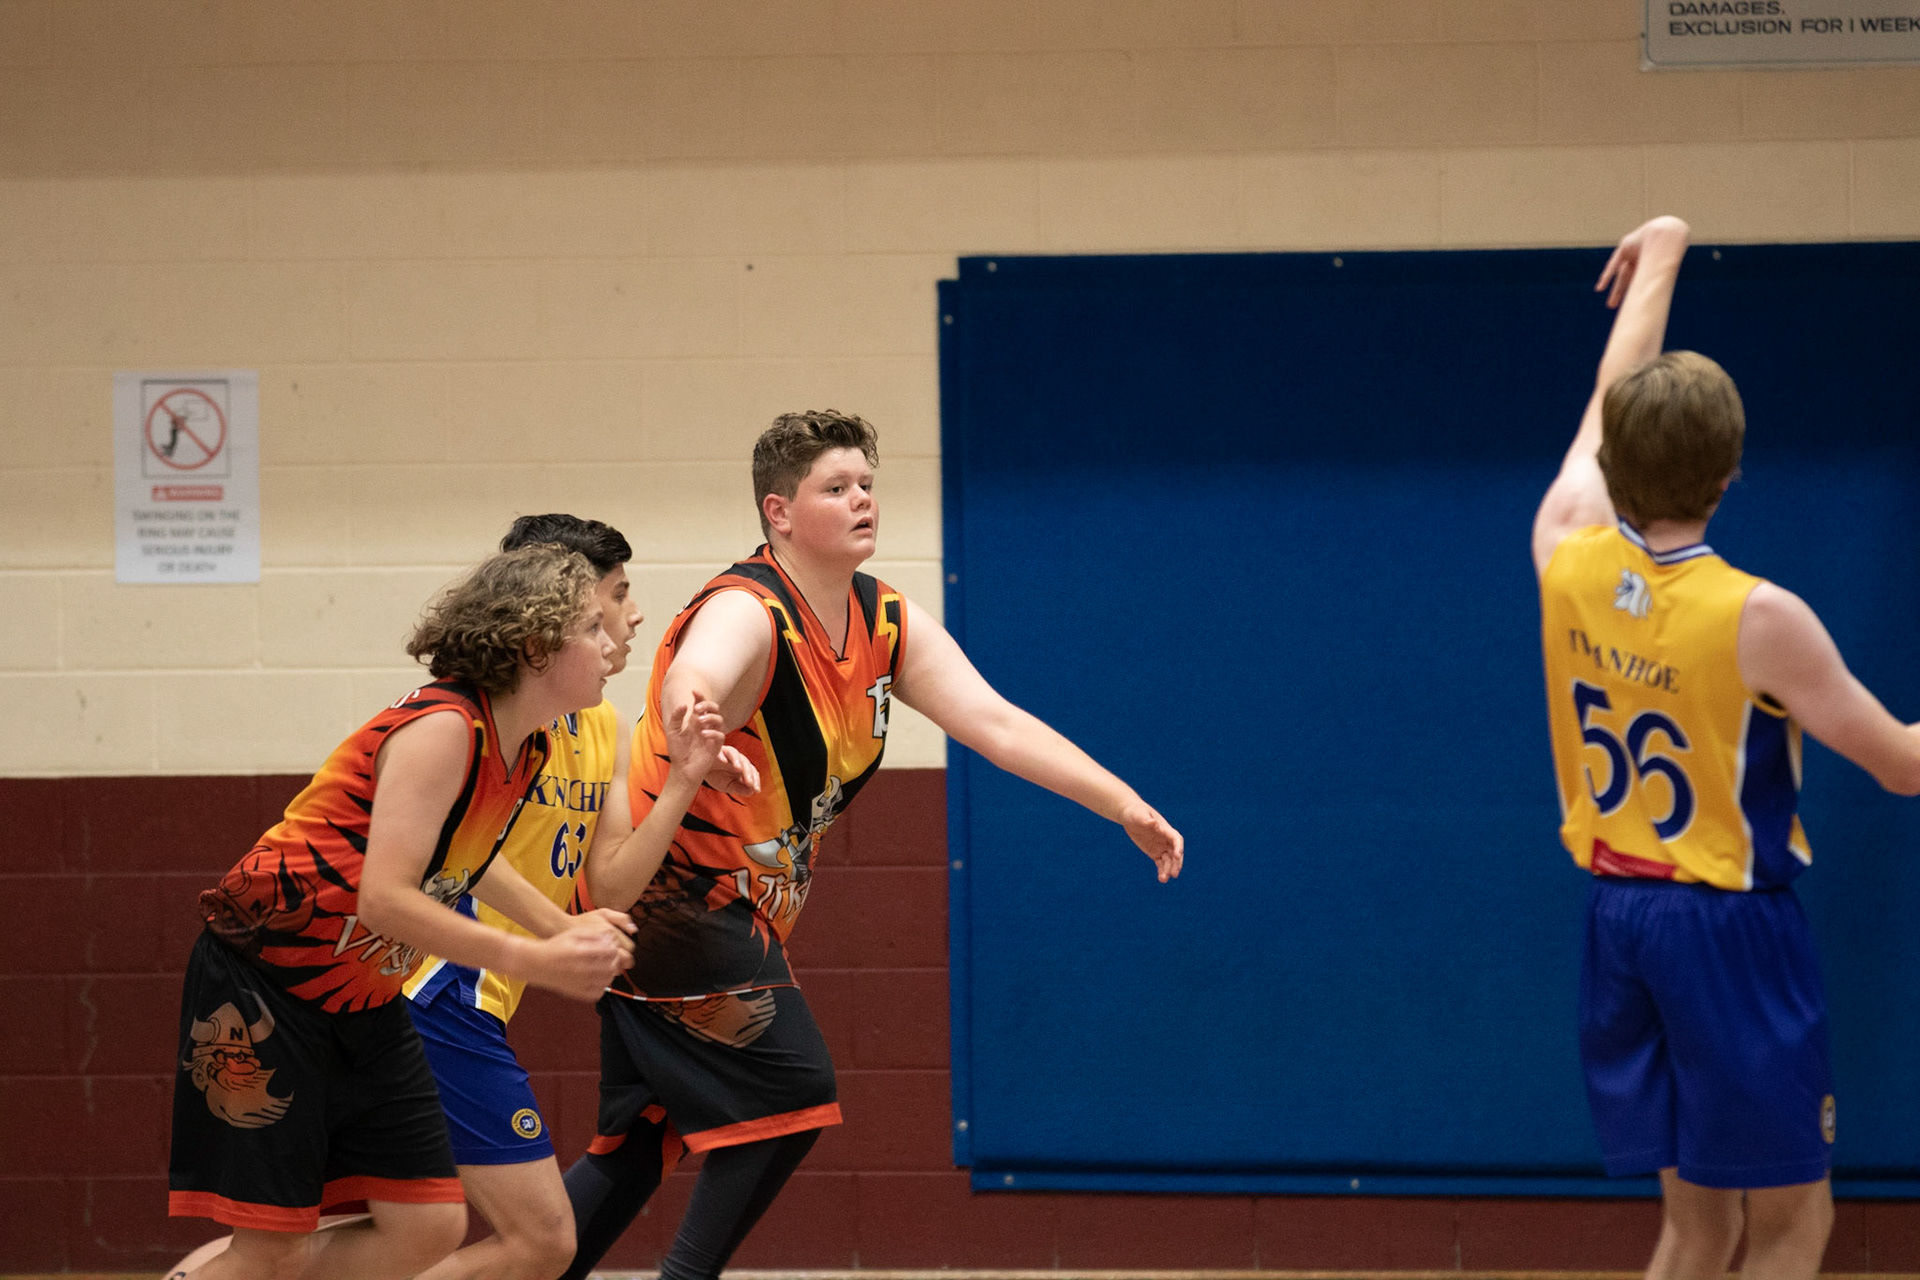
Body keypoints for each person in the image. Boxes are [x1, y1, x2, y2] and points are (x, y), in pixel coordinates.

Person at [559, 410, 1185, 1280]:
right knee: (794, 1090)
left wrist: (1121, 803)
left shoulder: (884, 618)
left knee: (634, 1148)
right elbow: (694, 676)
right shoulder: (747, 607)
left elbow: (995, 722)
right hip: (678, 899)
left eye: (866, 484)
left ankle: (532, 1265)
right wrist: (697, 723)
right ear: (780, 512)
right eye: (836, 487)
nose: (862, 500)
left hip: (732, 911)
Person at [167, 518, 754, 1280]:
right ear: (535, 648)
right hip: (270, 982)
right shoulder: (444, 727)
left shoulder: (528, 745)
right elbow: (385, 899)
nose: (612, 640)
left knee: (428, 1227)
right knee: (271, 1246)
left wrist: (561, 928)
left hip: (362, 994)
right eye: (590, 626)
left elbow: (468, 860)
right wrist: (535, 957)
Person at [1533, 216, 1920, 1280]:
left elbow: (1603, 406)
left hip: (1619, 919)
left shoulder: (1563, 549)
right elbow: (1902, 765)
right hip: (1726, 928)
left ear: (1612, 460)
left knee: (1698, 1229)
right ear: (1731, 472)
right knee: (1793, 1223)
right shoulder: (1759, 616)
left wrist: (1663, 250)